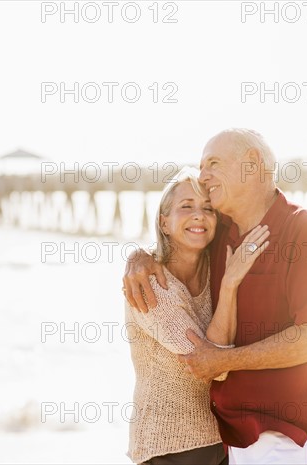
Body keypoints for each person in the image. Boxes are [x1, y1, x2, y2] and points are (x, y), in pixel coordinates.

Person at [123, 129, 307, 464]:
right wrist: (139, 257)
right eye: (201, 167)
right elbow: (180, 241)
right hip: (228, 441)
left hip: (287, 439)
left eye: (213, 163)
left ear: (252, 163)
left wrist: (224, 360)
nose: (203, 176)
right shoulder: (220, 235)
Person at [124, 167, 270, 465]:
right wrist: (230, 285)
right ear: (164, 223)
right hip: (167, 448)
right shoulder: (150, 284)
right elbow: (210, 364)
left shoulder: (215, 267)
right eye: (186, 207)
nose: (198, 215)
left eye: (207, 208)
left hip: (222, 441)